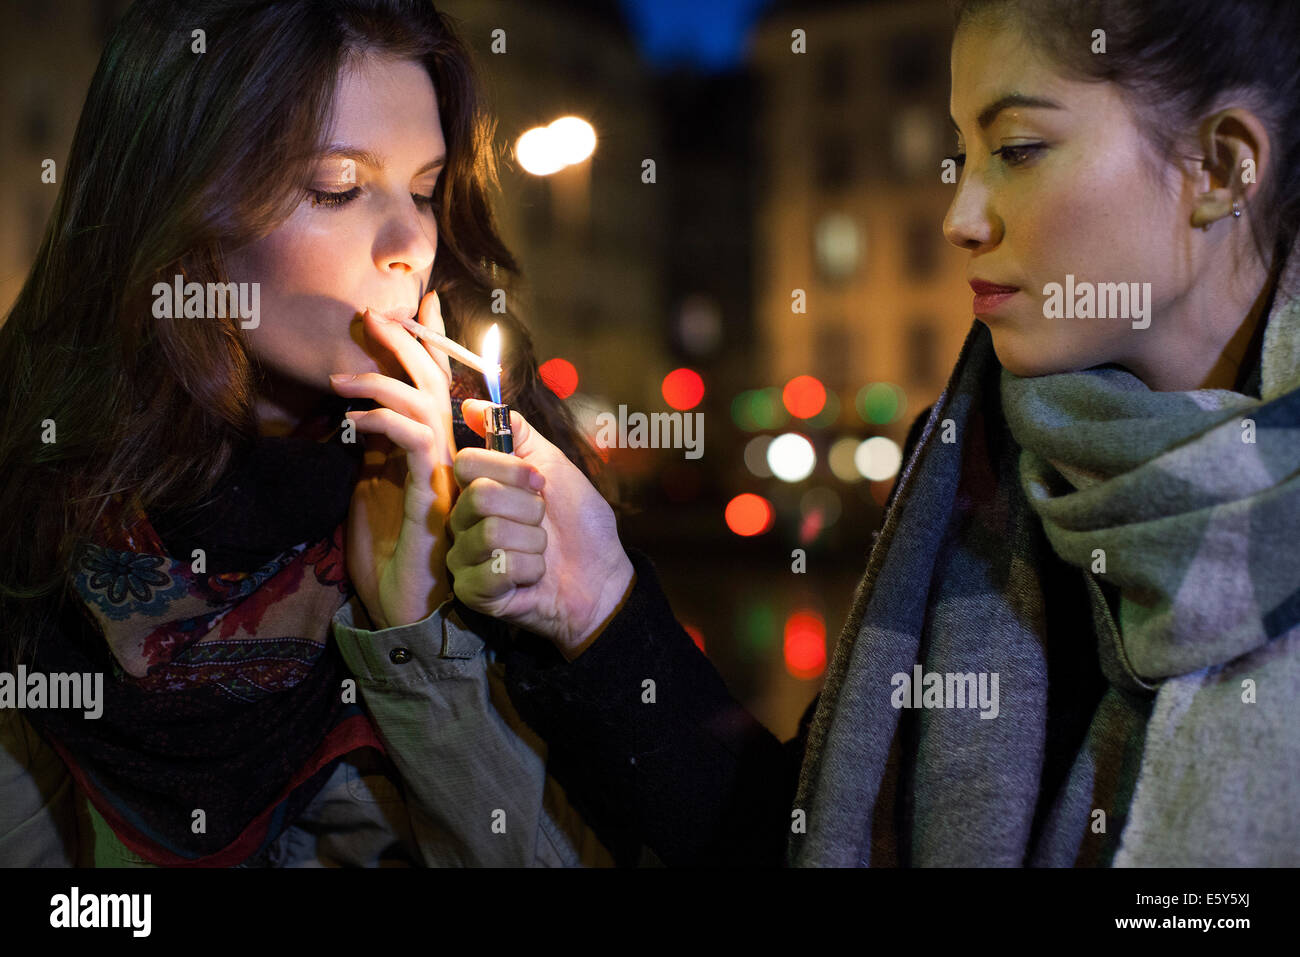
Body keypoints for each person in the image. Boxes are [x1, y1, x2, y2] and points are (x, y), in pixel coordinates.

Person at [446, 0, 1300, 866]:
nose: (958, 216)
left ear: (1221, 167)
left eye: (1016, 150)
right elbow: (789, 836)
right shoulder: (978, 475)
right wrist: (596, 601)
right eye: (965, 154)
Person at [0, 0, 614, 867]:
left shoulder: (502, 482)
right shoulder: (36, 513)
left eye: (426, 191)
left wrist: (419, 643)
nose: (412, 243)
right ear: (176, 204)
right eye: (337, 187)